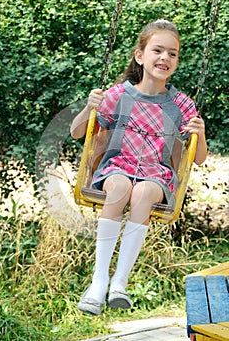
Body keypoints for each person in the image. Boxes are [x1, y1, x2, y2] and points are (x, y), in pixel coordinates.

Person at [70, 19, 207, 316]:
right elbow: (77, 132)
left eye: (173, 53)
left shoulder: (182, 104)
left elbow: (198, 158)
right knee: (120, 188)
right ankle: (99, 281)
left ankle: (120, 282)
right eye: (158, 50)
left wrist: (201, 132)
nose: (165, 58)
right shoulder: (119, 94)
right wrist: (89, 106)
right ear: (140, 55)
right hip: (118, 167)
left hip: (155, 174)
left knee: (143, 192)